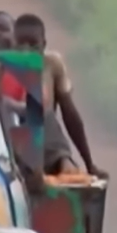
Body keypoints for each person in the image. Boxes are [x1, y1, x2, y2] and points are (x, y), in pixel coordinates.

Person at [13, 13, 105, 177]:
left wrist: (89, 163)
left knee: (44, 114)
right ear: (13, 44)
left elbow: (70, 115)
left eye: (33, 44)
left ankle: (64, 162)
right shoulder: (2, 67)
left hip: (45, 150)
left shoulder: (51, 65)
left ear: (44, 45)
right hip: (10, 145)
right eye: (20, 44)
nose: (26, 50)